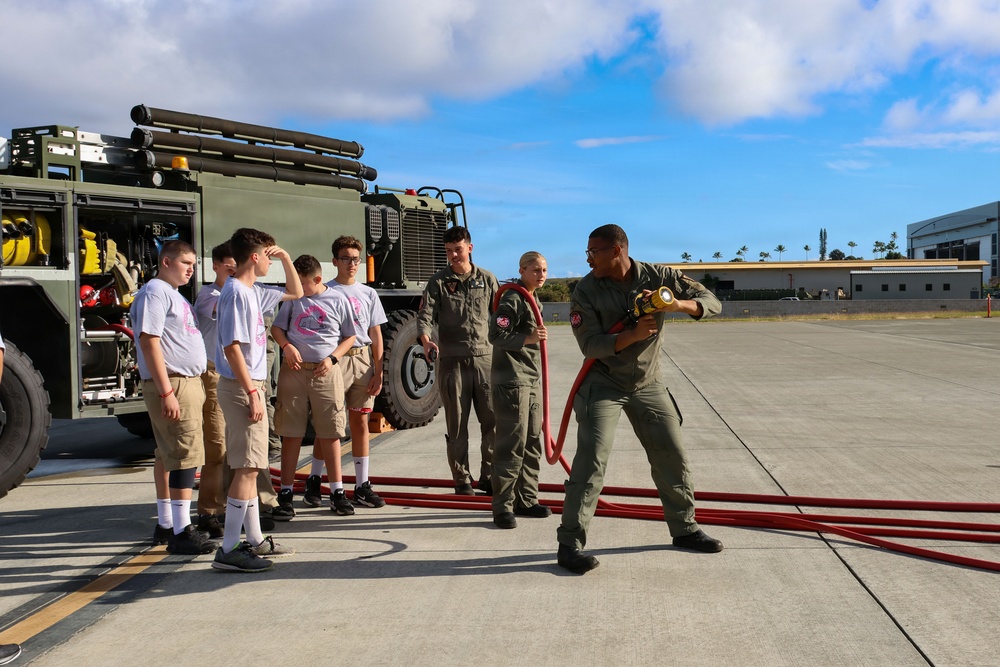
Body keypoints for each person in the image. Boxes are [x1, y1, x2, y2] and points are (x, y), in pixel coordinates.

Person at [556, 224, 724, 575]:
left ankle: (685, 528)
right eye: (587, 252)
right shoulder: (585, 290)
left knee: (672, 455)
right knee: (591, 462)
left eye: (594, 251)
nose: (588, 258)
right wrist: (631, 335)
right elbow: (589, 345)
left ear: (617, 251)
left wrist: (677, 304)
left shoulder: (660, 276)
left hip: (647, 383)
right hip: (603, 383)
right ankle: (569, 543)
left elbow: (713, 302)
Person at [212, 228, 302, 572]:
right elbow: (232, 347)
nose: (270, 259)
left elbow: (294, 291)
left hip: (249, 385)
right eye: (267, 255)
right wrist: (252, 391)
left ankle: (254, 539)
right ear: (254, 257)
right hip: (241, 386)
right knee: (247, 467)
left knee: (251, 466)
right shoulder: (236, 292)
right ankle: (230, 548)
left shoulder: (252, 291)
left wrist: (285, 259)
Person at [132, 240, 217, 555]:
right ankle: (182, 531)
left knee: (169, 453)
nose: (191, 270)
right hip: (174, 383)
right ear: (165, 262)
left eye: (193, 265)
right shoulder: (155, 293)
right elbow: (149, 340)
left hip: (185, 381)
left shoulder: (173, 295)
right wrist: (167, 390)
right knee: (185, 454)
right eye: (186, 263)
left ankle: (168, 523)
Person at [270, 254, 357, 518]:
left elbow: (350, 336)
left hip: (324, 372)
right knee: (291, 432)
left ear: (317, 279)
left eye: (302, 283)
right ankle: (285, 492)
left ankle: (337, 492)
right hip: (295, 372)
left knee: (330, 431)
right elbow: (277, 329)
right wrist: (287, 347)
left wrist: (333, 359)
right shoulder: (293, 298)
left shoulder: (338, 299)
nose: (297, 288)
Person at [416, 226, 498, 495]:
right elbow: (425, 316)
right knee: (457, 423)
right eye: (449, 251)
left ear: (470, 248)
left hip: (486, 361)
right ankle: (462, 479)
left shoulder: (487, 280)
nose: (453, 255)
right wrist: (426, 339)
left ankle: (490, 475)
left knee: (492, 421)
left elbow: (500, 317)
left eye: (458, 250)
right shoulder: (438, 282)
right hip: (453, 362)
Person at [321, 235, 388, 511]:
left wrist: (379, 370)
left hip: (361, 361)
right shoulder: (326, 290)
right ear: (335, 261)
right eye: (346, 258)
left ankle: (362, 485)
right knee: (331, 426)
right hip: (336, 361)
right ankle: (322, 481)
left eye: (356, 259)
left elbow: (375, 332)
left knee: (360, 422)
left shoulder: (368, 293)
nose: (351, 264)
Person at [489, 251, 553, 529]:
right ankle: (502, 507)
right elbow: (496, 335)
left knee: (532, 442)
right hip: (512, 381)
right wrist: (528, 337)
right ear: (522, 270)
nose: (541, 275)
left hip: (530, 379)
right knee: (511, 445)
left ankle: (526, 499)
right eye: (535, 270)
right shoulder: (514, 299)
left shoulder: (532, 296)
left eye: (545, 270)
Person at [193, 242, 236, 538]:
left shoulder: (242, 292)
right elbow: (225, 307)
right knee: (217, 447)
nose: (234, 272)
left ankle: (235, 505)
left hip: (239, 375)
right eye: (230, 267)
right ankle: (209, 511)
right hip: (214, 375)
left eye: (239, 267)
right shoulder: (210, 295)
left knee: (239, 448)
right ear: (216, 267)